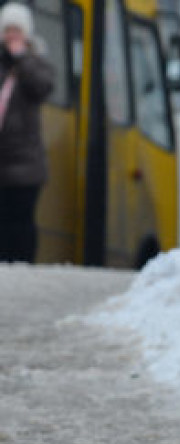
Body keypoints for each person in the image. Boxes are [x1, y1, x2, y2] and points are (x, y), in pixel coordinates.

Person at [0, 2, 54, 264]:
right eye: (7, 30)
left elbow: (42, 88)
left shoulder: (35, 62)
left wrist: (21, 59)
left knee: (21, 219)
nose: (11, 36)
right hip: (3, 159)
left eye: (17, 30)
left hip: (26, 162)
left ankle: (22, 265)